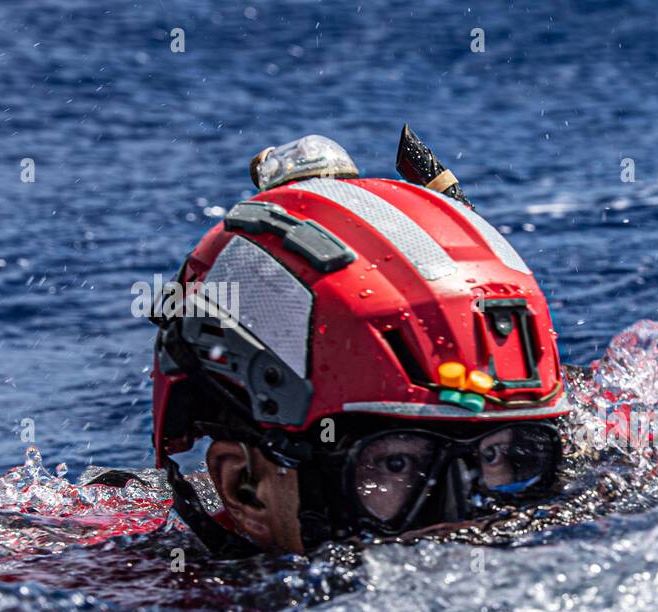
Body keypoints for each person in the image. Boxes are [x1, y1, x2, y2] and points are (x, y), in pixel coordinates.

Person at [152, 133, 570, 558]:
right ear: (244, 490)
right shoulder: (137, 602)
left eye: (495, 454)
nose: (464, 524)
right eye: (396, 464)